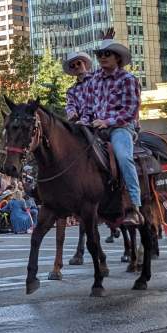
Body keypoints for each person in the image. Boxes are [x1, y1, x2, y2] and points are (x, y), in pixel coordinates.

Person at [70, 37, 144, 226]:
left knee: (123, 157)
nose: (102, 57)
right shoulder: (94, 79)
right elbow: (87, 108)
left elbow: (130, 110)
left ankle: (134, 206)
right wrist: (82, 123)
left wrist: (107, 121)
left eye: (106, 54)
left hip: (120, 127)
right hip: (96, 127)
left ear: (117, 58)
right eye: (99, 54)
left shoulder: (128, 79)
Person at [63, 51, 94, 121]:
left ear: (85, 63)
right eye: (72, 66)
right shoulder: (71, 91)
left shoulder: (97, 78)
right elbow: (70, 105)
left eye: (78, 63)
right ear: (71, 70)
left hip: (100, 119)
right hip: (83, 123)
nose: (76, 66)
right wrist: (71, 113)